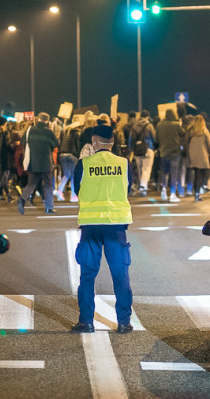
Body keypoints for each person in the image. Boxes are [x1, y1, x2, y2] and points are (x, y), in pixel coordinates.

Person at [70, 122, 134, 334]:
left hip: (90, 226)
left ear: (95, 142)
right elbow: (128, 188)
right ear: (113, 142)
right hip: (116, 226)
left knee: (88, 274)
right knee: (120, 273)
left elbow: (76, 189)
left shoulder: (83, 164)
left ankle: (86, 321)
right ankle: (124, 322)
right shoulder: (124, 163)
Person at [17, 112, 59, 214]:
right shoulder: (48, 132)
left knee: (31, 183)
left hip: (33, 162)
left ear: (38, 119)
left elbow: (22, 142)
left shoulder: (30, 130)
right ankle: (49, 207)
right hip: (45, 162)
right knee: (48, 185)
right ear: (47, 121)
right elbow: (56, 144)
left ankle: (22, 199)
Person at [155, 109, 185, 202]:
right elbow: (183, 133)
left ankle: (163, 190)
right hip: (175, 152)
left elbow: (156, 140)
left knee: (165, 172)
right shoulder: (176, 125)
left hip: (164, 152)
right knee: (174, 173)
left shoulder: (159, 125)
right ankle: (172, 194)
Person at [185, 114, 210, 201]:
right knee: (203, 174)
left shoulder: (190, 130)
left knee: (195, 174)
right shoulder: (204, 131)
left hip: (192, 155)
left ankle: (195, 191)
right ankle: (199, 191)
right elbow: (209, 143)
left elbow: (186, 142)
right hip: (202, 155)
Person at [129, 110, 156, 194]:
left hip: (137, 150)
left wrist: (132, 149)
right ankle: (143, 186)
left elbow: (130, 139)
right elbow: (154, 138)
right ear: (147, 117)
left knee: (140, 169)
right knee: (146, 168)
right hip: (148, 149)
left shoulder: (134, 126)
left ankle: (142, 186)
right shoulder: (149, 126)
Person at [57, 116, 81, 202]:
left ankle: (59, 190)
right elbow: (78, 145)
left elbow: (60, 143)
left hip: (62, 154)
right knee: (74, 175)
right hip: (72, 155)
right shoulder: (77, 132)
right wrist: (79, 156)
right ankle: (73, 196)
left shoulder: (64, 131)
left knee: (67, 174)